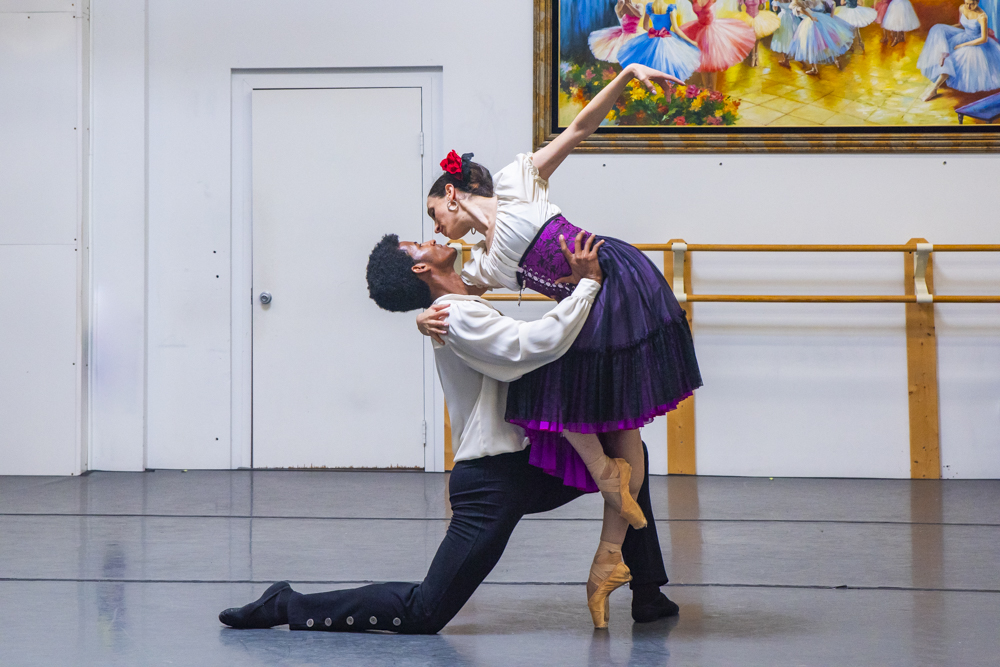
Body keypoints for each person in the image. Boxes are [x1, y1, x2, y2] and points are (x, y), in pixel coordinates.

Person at [218, 236, 678, 633]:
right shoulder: (455, 316)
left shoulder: (460, 307)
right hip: (492, 483)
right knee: (424, 612)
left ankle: (647, 591)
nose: (434, 238)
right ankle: (287, 605)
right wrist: (589, 284)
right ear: (421, 268)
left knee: (628, 452)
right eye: (420, 244)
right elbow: (532, 345)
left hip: (527, 464)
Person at [418, 63, 702, 627]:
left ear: (451, 193)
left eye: (433, 213)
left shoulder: (516, 181)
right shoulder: (484, 263)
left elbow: (578, 129)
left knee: (555, 389)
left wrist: (628, 74)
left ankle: (614, 518)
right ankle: (616, 565)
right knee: (617, 428)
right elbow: (447, 294)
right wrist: (424, 319)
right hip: (586, 303)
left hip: (614, 278)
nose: (436, 227)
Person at [918, 0, 1000, 100]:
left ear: (977, 2)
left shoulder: (982, 16)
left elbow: (983, 39)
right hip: (963, 36)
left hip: (975, 43)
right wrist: (946, 29)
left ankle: (934, 89)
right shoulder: (962, 8)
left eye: (972, 4)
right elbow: (960, 25)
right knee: (938, 28)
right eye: (967, 3)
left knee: (954, 59)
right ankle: (944, 55)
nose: (968, 6)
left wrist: (962, 45)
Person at [616, 2, 703, 81]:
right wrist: (691, 41)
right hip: (669, 40)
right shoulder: (670, 8)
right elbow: (676, 29)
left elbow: (645, 26)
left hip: (652, 38)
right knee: (668, 67)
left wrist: (655, 32)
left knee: (651, 66)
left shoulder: (649, 7)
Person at [681, 0, 758, 88]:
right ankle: (707, 91)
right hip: (699, 32)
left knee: (712, 64)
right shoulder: (693, 0)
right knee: (703, 64)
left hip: (712, 33)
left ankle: (713, 91)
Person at [788, 0, 854, 74]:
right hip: (812, 22)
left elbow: (833, 3)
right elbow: (800, 9)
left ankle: (834, 60)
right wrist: (811, 17)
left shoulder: (802, 3)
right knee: (815, 45)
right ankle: (816, 68)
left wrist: (831, 17)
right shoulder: (800, 3)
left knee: (829, 41)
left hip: (818, 20)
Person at [737, 0, 781, 66]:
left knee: (757, 38)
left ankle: (756, 55)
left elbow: (762, 6)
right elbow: (739, 8)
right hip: (748, 18)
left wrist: (758, 9)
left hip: (757, 17)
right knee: (752, 38)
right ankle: (753, 56)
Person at [771, 0, 804, 67]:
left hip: (783, 17)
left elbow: (775, 9)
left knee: (784, 39)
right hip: (792, 18)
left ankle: (787, 60)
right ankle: (788, 59)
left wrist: (775, 2)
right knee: (789, 38)